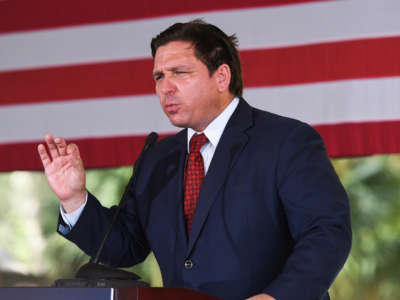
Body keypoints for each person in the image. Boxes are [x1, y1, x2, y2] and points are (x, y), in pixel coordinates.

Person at [38, 20, 352, 300]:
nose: (165, 88)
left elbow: (326, 235)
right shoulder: (157, 158)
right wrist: (75, 199)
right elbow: (124, 246)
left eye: (180, 73)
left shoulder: (287, 141)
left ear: (221, 77)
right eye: (159, 76)